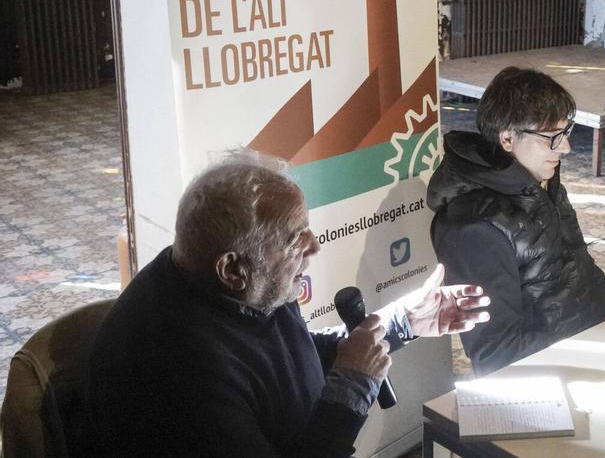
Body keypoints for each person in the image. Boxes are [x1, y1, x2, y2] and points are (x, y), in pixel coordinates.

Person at [86, 151, 490, 457]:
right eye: (294, 238)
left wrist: (400, 322)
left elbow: (284, 356)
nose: (313, 246)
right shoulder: (178, 371)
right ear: (231, 268)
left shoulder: (236, 285)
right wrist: (352, 386)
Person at [427, 67, 605, 375]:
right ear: (508, 138)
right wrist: (591, 355)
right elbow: (497, 352)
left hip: (590, 353)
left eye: (566, 133)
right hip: (551, 376)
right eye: (551, 137)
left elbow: (586, 280)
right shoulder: (473, 226)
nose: (565, 148)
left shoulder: (541, 186)